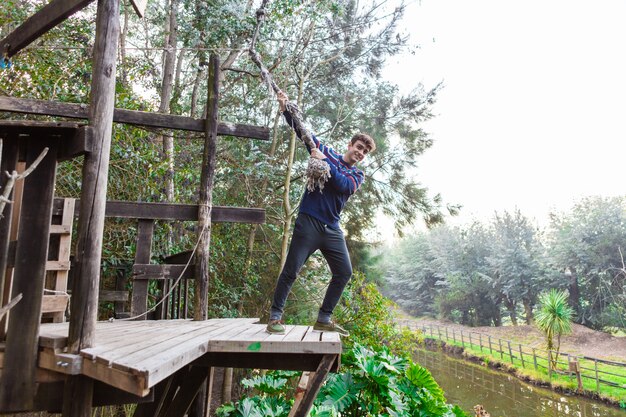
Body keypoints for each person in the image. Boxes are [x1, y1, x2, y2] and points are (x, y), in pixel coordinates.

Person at [266, 91, 376, 336]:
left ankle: (324, 318)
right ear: (350, 145)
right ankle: (275, 317)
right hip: (309, 222)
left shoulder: (356, 175)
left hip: (331, 229)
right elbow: (305, 134)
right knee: (292, 269)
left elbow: (343, 186)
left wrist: (324, 163)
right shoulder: (326, 151)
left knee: (344, 272)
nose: (360, 153)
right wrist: (285, 110)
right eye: (359, 147)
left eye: (364, 152)